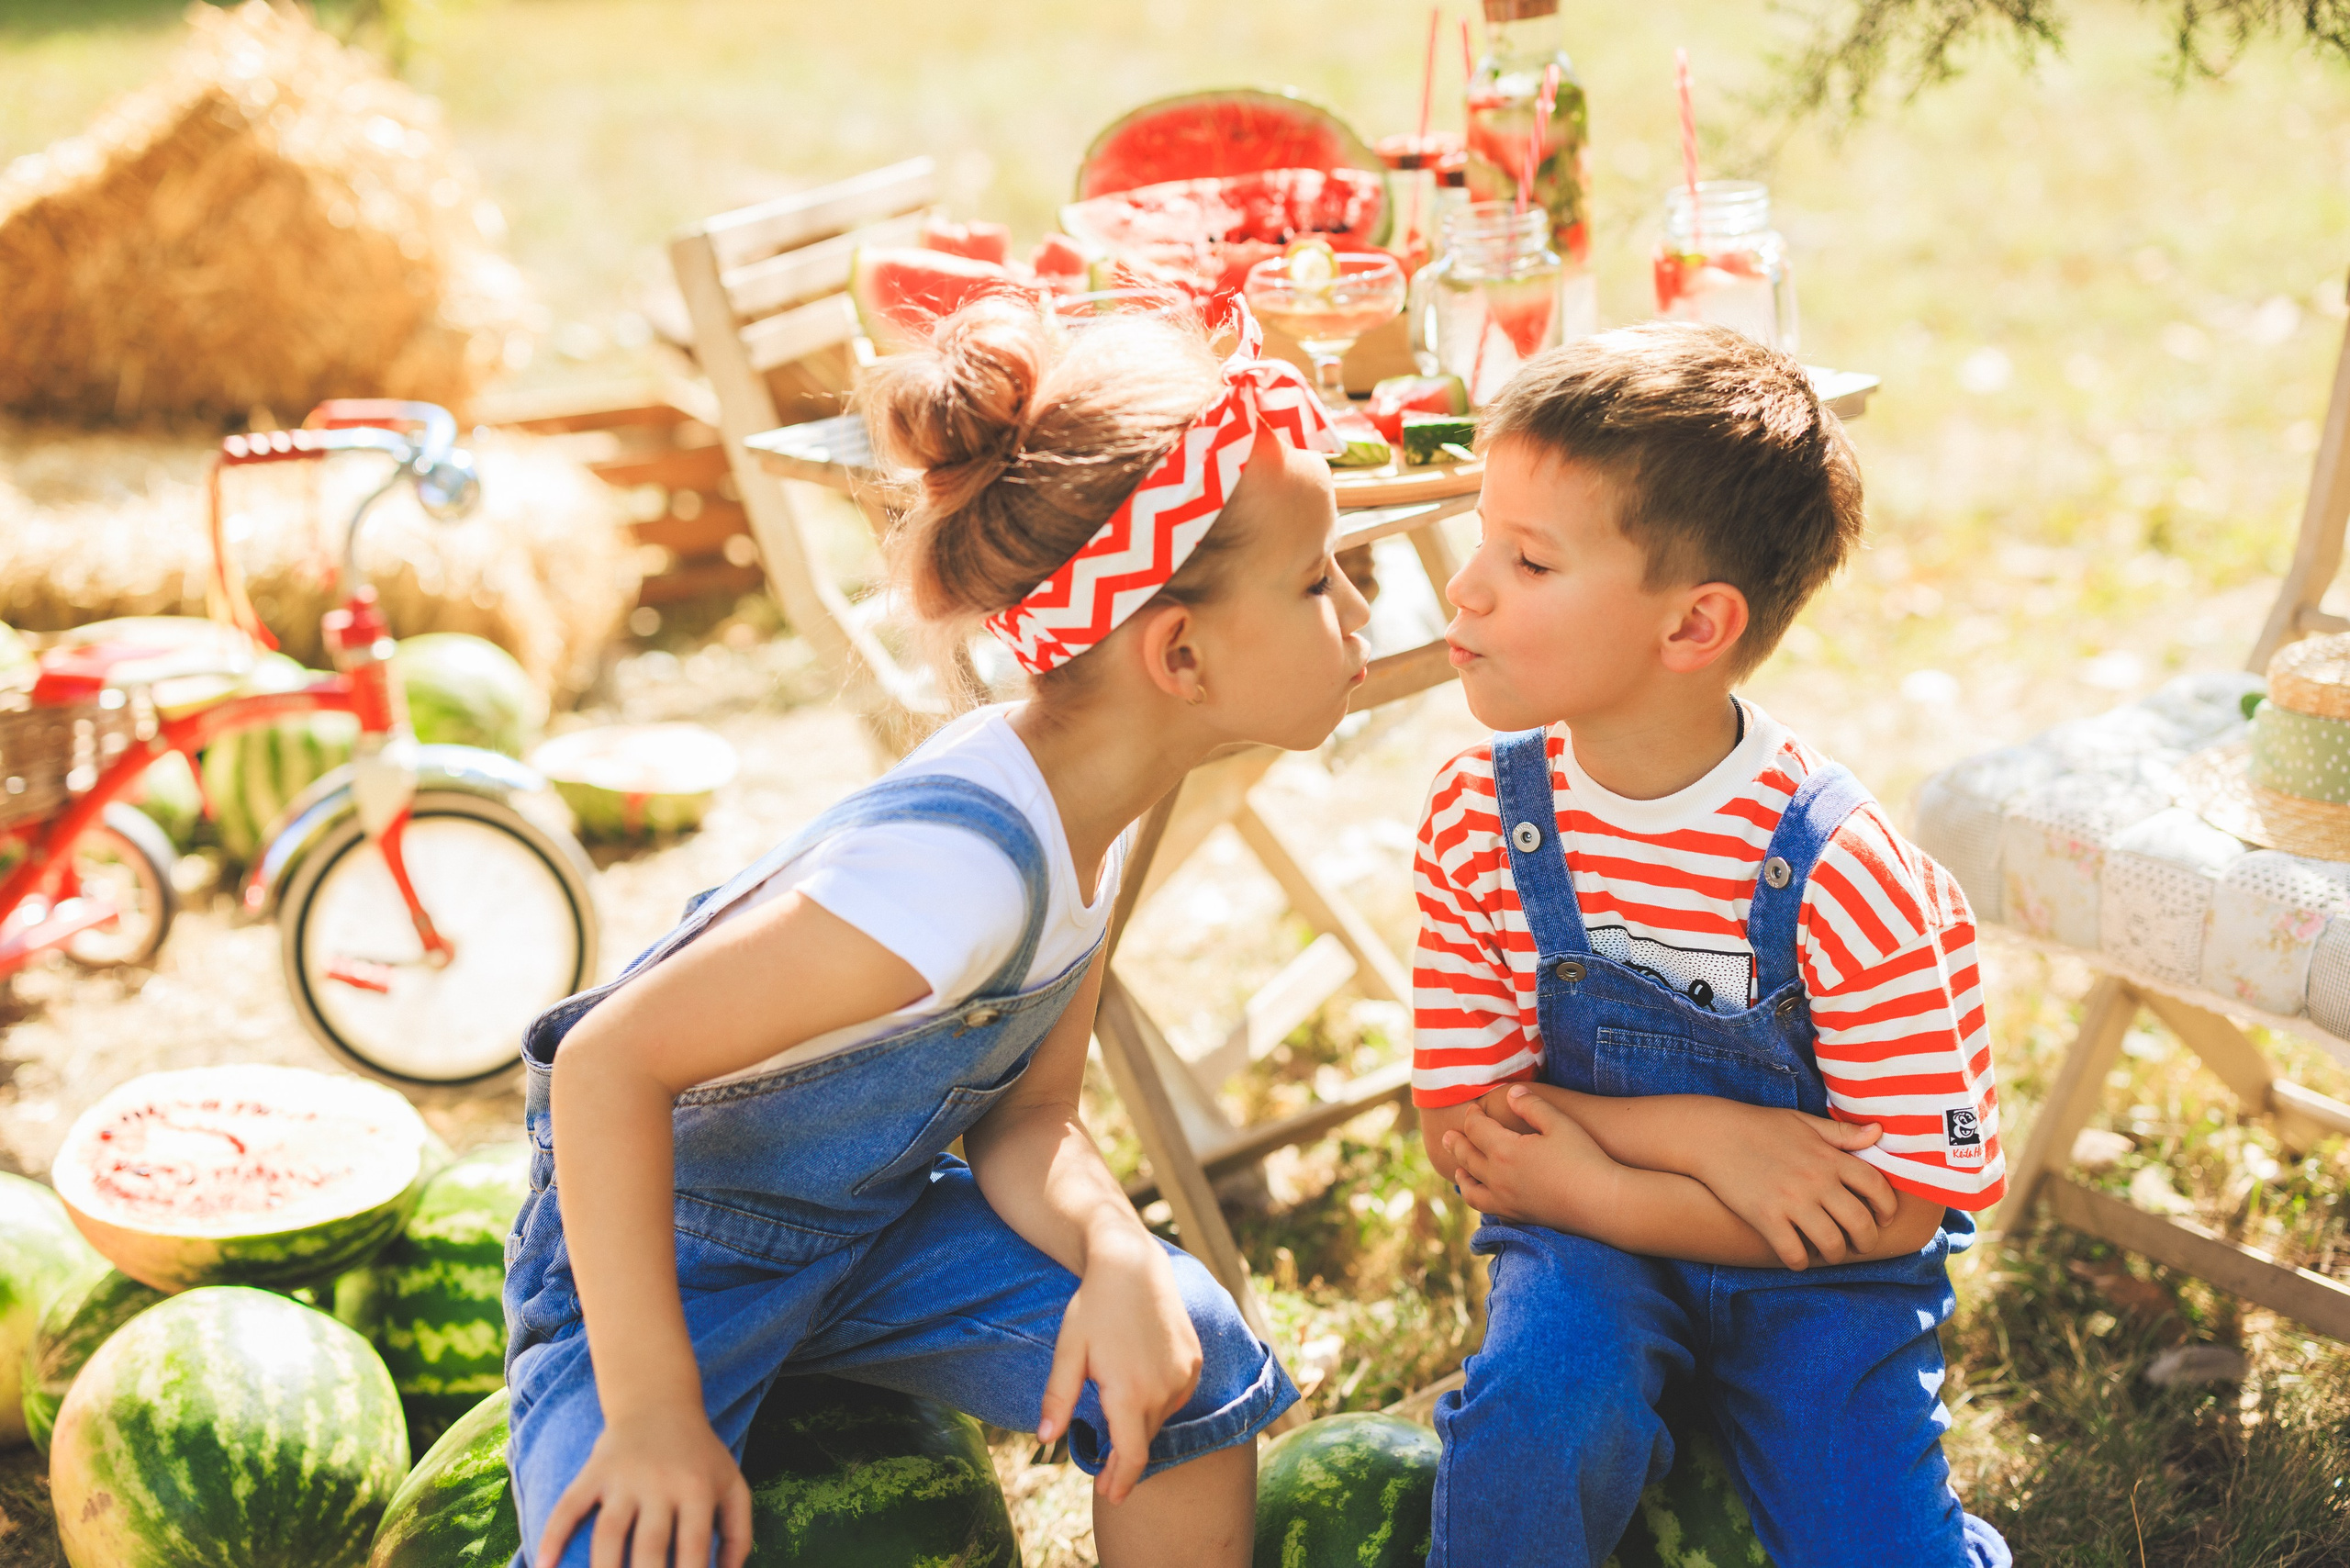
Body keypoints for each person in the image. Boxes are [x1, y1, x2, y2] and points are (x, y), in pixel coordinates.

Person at [501, 297, 1371, 1568]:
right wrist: (651, 1414)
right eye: (1319, 579)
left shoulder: (1101, 811)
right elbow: (604, 1067)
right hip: (659, 1266)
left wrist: (1116, 1249)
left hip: (873, 1230)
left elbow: (1026, 1121)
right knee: (629, 1544)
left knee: (1184, 1355)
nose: (1359, 605)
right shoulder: (953, 876)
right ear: (1177, 655)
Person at [1413, 322, 2011, 1568]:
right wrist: (1688, 1153)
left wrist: (1599, 1166)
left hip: (1822, 1291)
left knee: (1873, 1544)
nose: (1464, 588)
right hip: (1589, 1250)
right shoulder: (1481, 822)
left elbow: (1903, 1206)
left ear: (1692, 627)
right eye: (1483, 538)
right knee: (1533, 1416)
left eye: (1526, 562)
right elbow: (1474, 1123)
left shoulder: (1848, 875)